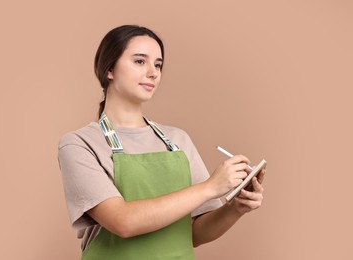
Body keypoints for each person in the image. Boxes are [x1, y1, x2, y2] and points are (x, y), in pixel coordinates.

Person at [57, 25, 266, 260]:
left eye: (158, 64)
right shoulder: (80, 144)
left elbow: (193, 233)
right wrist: (209, 187)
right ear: (109, 69)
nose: (153, 72)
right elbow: (122, 221)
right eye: (139, 61)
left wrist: (236, 208)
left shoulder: (178, 141)